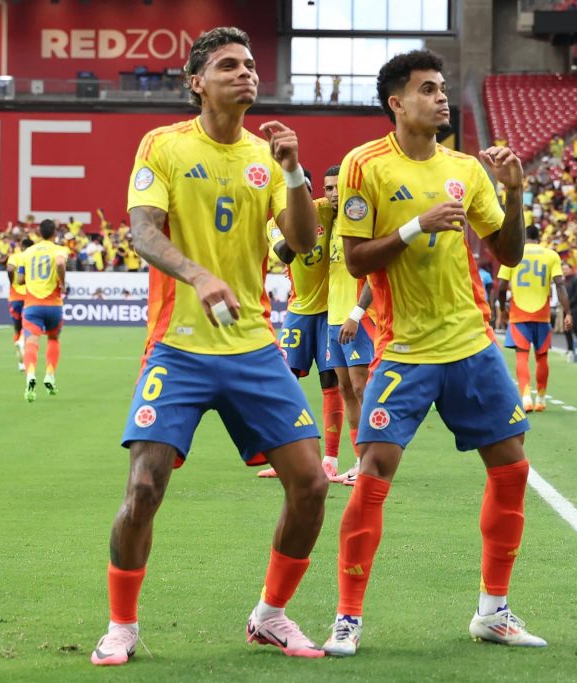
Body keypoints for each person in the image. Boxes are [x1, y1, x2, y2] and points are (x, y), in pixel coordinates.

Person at [90, 27, 328, 666]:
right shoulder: (162, 145)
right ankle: (122, 625)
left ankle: (271, 616)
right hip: (179, 347)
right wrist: (197, 274)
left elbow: (305, 243)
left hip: (254, 346)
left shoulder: (265, 157)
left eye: (250, 65)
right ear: (196, 82)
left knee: (310, 484)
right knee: (143, 488)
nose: (245, 73)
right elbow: (142, 232)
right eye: (228, 65)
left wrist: (294, 171)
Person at [322, 49, 546, 657]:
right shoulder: (363, 166)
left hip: (471, 345)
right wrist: (417, 226)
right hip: (405, 351)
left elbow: (510, 254)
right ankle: (347, 618)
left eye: (443, 88)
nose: (442, 98)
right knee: (373, 474)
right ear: (397, 103)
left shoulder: (465, 169)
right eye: (428, 89)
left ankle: (493, 612)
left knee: (512, 469)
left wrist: (513, 191)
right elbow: (355, 258)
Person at [255, 168, 350, 483]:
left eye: (303, 188)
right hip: (299, 309)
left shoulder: (326, 208)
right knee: (284, 383)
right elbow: (284, 252)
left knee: (331, 383)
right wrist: (297, 231)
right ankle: (288, 456)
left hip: (331, 310)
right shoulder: (274, 225)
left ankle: (330, 460)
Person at [324, 164, 375, 487]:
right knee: (346, 391)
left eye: (336, 187)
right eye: (327, 189)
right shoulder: (330, 224)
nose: (332, 194)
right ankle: (359, 461)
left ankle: (372, 461)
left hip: (357, 320)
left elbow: (375, 274)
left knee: (362, 389)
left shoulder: (360, 223)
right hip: (332, 320)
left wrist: (356, 314)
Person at [497, 224, 571, 412]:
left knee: (522, 355)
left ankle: (525, 397)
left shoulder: (511, 254)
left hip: (519, 313)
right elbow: (560, 285)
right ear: (539, 237)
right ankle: (541, 399)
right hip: (542, 314)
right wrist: (568, 312)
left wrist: (502, 308)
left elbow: (502, 286)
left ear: (523, 237)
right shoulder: (551, 255)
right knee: (542, 356)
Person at [17, 221, 67, 401]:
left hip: (32, 305)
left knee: (31, 340)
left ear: (39, 233)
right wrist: (63, 283)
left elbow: (20, 279)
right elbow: (60, 263)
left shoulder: (27, 252)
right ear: (55, 232)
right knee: (53, 338)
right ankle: (50, 375)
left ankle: (30, 374)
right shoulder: (59, 250)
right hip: (54, 305)